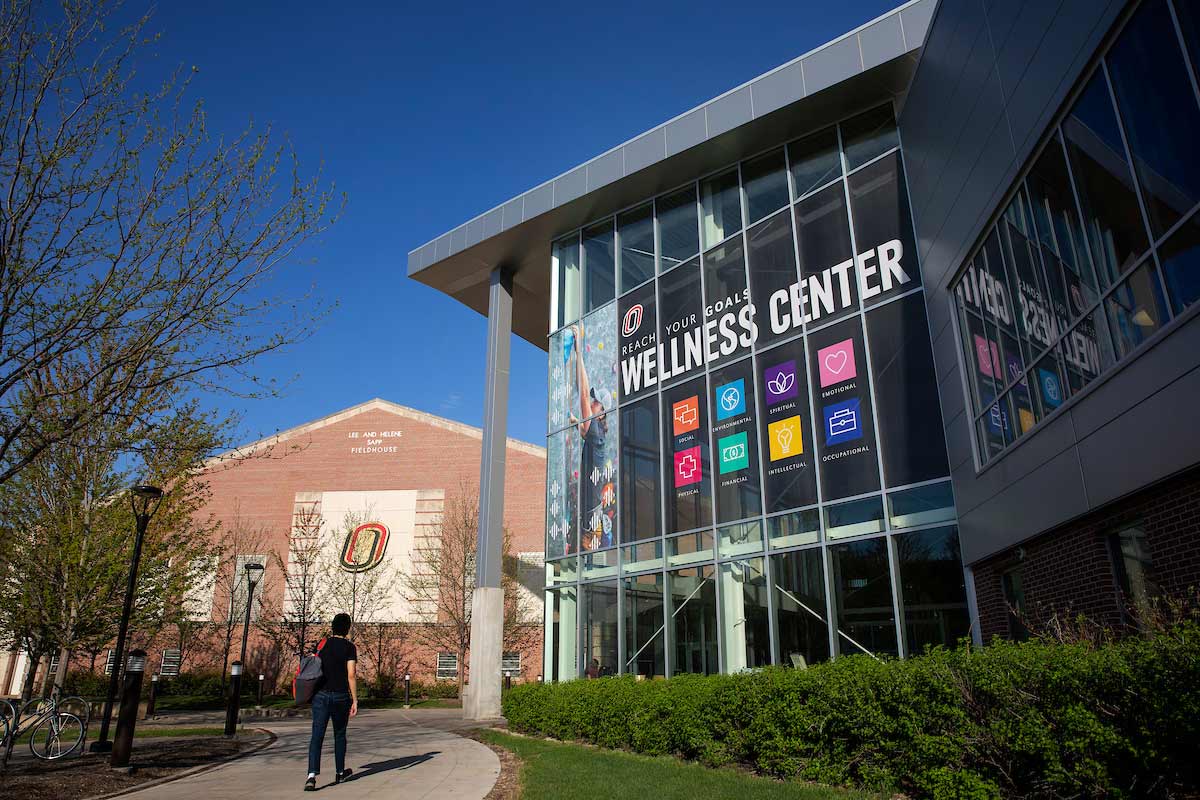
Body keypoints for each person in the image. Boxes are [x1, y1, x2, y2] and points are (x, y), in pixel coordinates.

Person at [305, 613, 358, 790]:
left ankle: (311, 776)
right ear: (347, 628)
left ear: (332, 627)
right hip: (341, 696)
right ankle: (340, 772)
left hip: (320, 695)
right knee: (340, 734)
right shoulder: (349, 647)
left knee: (317, 735)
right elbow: (351, 674)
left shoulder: (322, 644)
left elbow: (313, 666)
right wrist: (355, 700)